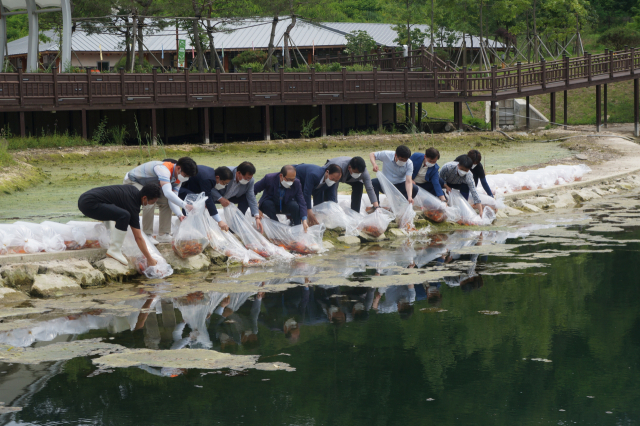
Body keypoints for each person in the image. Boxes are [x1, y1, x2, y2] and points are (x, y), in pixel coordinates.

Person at [78, 183, 162, 266]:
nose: (153, 205)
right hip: (89, 205)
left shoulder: (133, 190)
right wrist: (149, 259)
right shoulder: (132, 206)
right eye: (153, 202)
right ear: (144, 198)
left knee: (120, 213)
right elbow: (138, 237)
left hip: (84, 198)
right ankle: (114, 250)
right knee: (124, 216)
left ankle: (112, 242)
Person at [124, 157, 198, 243]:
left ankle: (164, 234)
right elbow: (167, 192)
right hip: (134, 181)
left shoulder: (178, 178)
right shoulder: (163, 169)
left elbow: (172, 198)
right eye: (185, 175)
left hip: (151, 186)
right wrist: (185, 205)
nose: (185, 178)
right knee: (149, 201)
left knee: (166, 202)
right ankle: (147, 235)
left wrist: (179, 214)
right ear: (178, 168)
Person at [208, 162, 263, 233]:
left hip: (232, 196)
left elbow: (251, 196)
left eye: (249, 178)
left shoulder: (250, 181)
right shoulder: (226, 173)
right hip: (216, 195)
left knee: (245, 199)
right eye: (246, 178)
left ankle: (235, 225)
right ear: (238, 173)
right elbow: (209, 187)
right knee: (206, 201)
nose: (248, 180)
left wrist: (257, 216)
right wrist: (221, 199)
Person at [178, 165, 235, 232]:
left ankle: (192, 229)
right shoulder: (208, 179)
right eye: (224, 183)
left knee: (197, 202)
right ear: (218, 177)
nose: (224, 186)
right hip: (180, 187)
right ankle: (189, 229)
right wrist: (219, 221)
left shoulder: (211, 173)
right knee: (193, 202)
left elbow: (205, 195)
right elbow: (208, 199)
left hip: (189, 187)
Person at [254, 165, 309, 231]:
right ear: (281, 176)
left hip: (285, 205)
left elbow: (302, 202)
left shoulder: (296, 183)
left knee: (295, 206)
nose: (291, 182)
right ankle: (277, 227)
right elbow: (253, 191)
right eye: (289, 179)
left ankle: (298, 229)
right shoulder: (269, 178)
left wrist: (304, 220)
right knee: (267, 203)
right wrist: (256, 209)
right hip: (270, 206)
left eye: (293, 179)